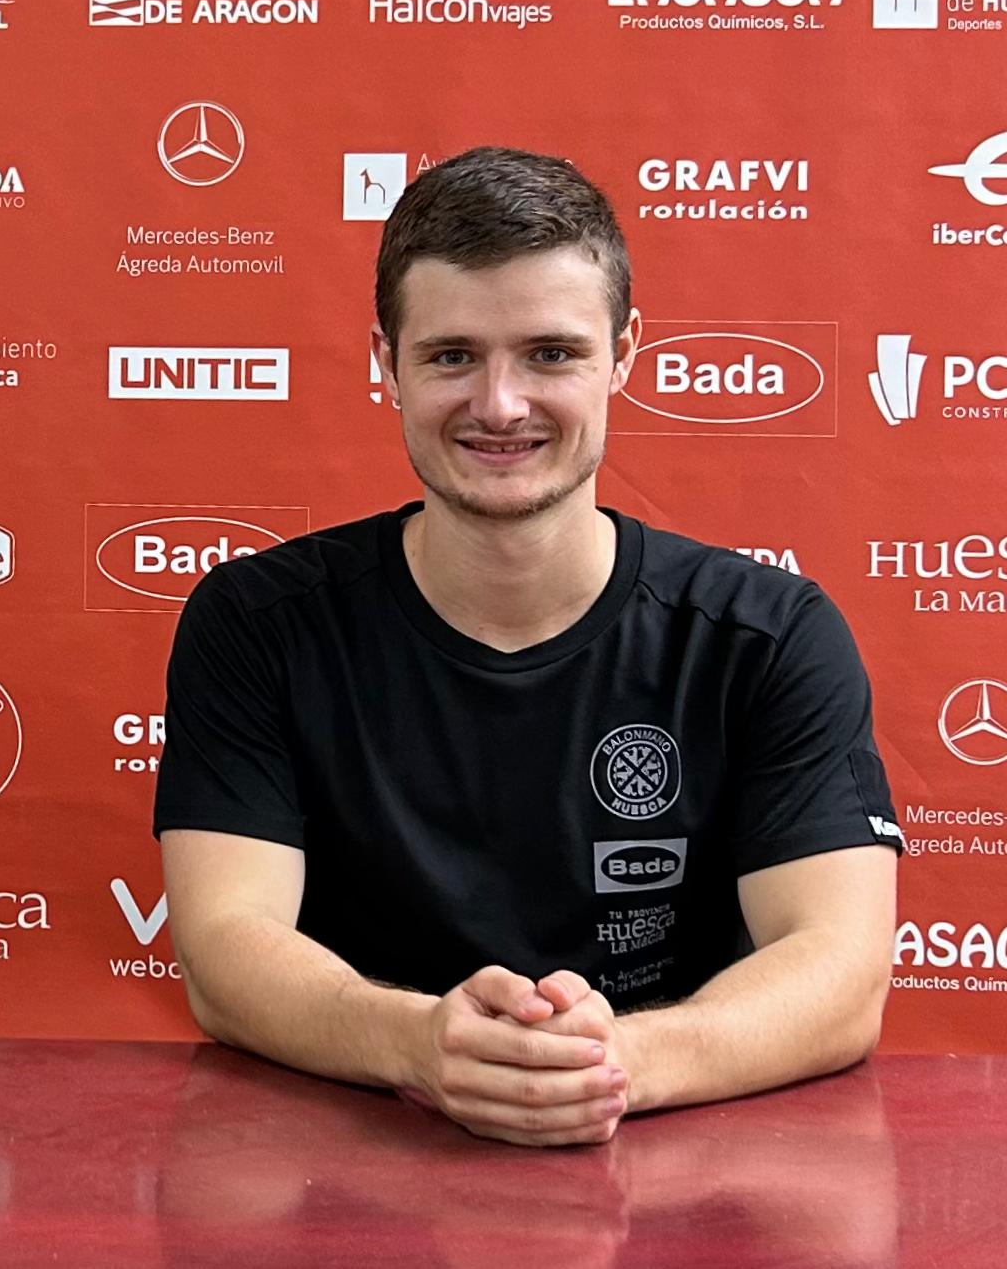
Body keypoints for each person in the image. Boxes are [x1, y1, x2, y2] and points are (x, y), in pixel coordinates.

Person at [155, 146, 901, 1147]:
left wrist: (615, 1063)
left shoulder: (766, 634)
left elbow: (840, 971)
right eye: (452, 354)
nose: (500, 404)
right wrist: (421, 1040)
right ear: (385, 359)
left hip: (675, 1171)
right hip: (351, 1168)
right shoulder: (256, 622)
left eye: (550, 353)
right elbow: (224, 948)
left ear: (626, 353)